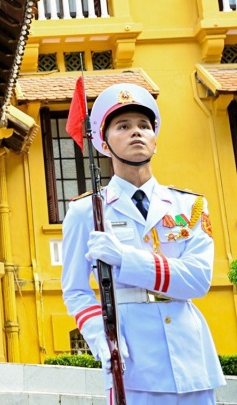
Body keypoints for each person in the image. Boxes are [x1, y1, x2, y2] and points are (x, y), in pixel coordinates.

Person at [61, 83, 225, 404]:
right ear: (104, 144)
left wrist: (125, 258)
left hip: (192, 358)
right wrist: (103, 339)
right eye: (123, 126)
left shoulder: (189, 207)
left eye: (144, 126)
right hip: (133, 359)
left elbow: (197, 279)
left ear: (155, 140)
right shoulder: (85, 211)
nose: (136, 132)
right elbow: (76, 290)